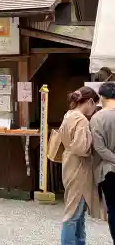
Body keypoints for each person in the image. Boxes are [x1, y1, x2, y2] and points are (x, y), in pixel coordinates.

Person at [59, 86, 103, 245]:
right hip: (79, 168)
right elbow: (80, 147)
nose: (94, 109)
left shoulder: (68, 115)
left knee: (76, 213)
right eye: (95, 105)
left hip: (69, 164)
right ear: (90, 101)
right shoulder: (81, 119)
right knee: (73, 213)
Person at [91, 82, 115, 243]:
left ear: (101, 97)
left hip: (108, 171)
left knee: (113, 209)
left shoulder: (97, 118)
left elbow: (99, 148)